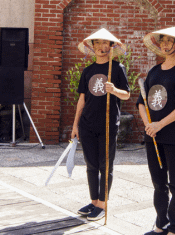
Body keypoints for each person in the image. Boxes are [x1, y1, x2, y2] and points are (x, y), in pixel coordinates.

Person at [137, 27, 175, 235]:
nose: (165, 44)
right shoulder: (154, 71)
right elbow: (141, 102)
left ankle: (174, 228)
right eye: (162, 40)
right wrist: (148, 125)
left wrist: (159, 124)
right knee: (158, 184)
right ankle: (160, 224)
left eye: (170, 40)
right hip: (153, 136)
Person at [71, 28, 130, 221]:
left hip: (107, 124)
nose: (101, 47)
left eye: (106, 44)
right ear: (92, 46)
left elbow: (127, 95)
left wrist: (114, 90)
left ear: (111, 47)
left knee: (106, 165)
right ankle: (94, 201)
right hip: (87, 124)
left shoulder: (117, 68)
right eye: (97, 43)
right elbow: (81, 99)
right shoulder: (88, 71)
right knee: (91, 165)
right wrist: (75, 125)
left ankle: (103, 205)